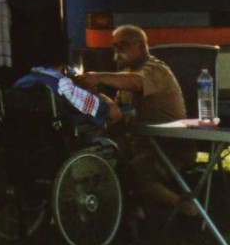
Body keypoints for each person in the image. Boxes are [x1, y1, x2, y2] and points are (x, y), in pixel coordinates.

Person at [75, 25, 197, 222]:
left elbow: (137, 82)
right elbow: (119, 113)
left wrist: (98, 76)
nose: (117, 50)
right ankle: (127, 212)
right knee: (97, 154)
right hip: (141, 143)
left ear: (140, 45)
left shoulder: (156, 70)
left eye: (123, 45)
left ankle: (188, 210)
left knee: (137, 169)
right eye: (114, 46)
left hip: (170, 147)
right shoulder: (126, 74)